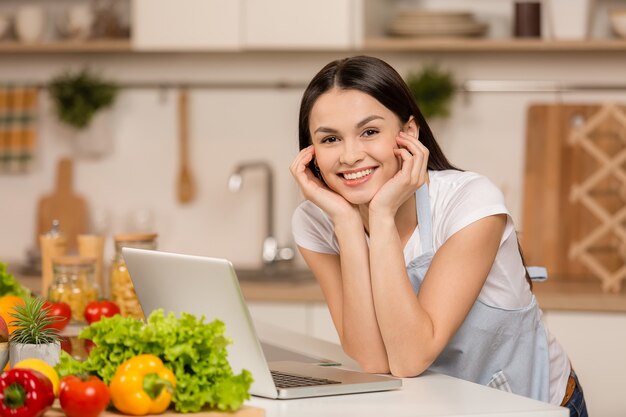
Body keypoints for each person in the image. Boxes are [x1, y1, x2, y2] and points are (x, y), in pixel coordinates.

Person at [289, 55, 588, 416]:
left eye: (369, 132)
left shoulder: (470, 201)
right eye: (331, 139)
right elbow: (372, 359)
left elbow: (410, 357)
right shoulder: (318, 220)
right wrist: (349, 225)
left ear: (409, 134)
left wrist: (381, 216)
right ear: (312, 153)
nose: (350, 155)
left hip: (534, 405)